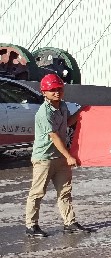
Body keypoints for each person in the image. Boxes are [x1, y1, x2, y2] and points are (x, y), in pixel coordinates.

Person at [25, 74, 91, 237]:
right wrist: (69, 156)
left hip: (60, 157)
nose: (57, 92)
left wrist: (81, 112)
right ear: (44, 92)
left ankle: (70, 223)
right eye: (52, 90)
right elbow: (54, 136)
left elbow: (66, 123)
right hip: (44, 158)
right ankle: (31, 226)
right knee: (37, 193)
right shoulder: (44, 112)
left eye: (59, 89)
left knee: (65, 192)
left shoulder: (62, 106)